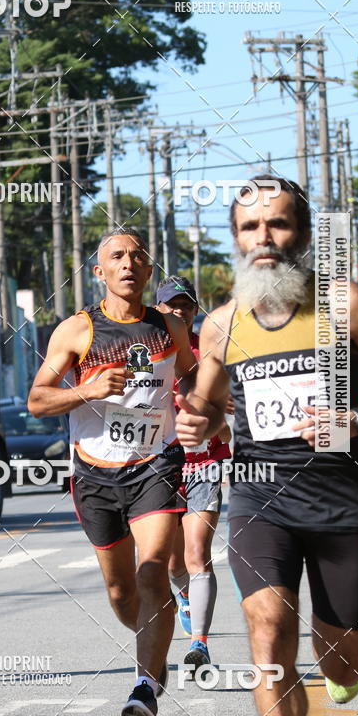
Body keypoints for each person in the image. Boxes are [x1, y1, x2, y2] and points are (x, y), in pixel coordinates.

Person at [174, 176, 358, 716]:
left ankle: (346, 659)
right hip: (260, 498)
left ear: (304, 234)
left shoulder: (346, 303)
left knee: (343, 662)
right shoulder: (222, 325)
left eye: (278, 223)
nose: (264, 236)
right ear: (236, 240)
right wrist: (195, 420)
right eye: (250, 227)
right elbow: (209, 405)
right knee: (269, 630)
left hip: (340, 500)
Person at [28, 228, 198, 716]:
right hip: (95, 473)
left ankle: (144, 687)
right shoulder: (76, 331)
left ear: (148, 270)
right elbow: (38, 400)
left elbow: (192, 377)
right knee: (122, 592)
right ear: (100, 272)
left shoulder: (170, 326)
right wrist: (89, 390)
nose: (128, 263)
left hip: (156, 463)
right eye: (117, 257)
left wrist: (204, 408)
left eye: (137, 256)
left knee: (152, 570)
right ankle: (156, 646)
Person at [156, 275, 231, 672]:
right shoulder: (147, 355)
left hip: (204, 463)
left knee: (197, 553)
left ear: (195, 310)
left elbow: (230, 414)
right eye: (172, 305)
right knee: (173, 564)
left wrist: (217, 417)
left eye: (186, 305)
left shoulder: (211, 357)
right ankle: (184, 595)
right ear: (159, 310)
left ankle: (199, 643)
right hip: (160, 465)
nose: (179, 311)